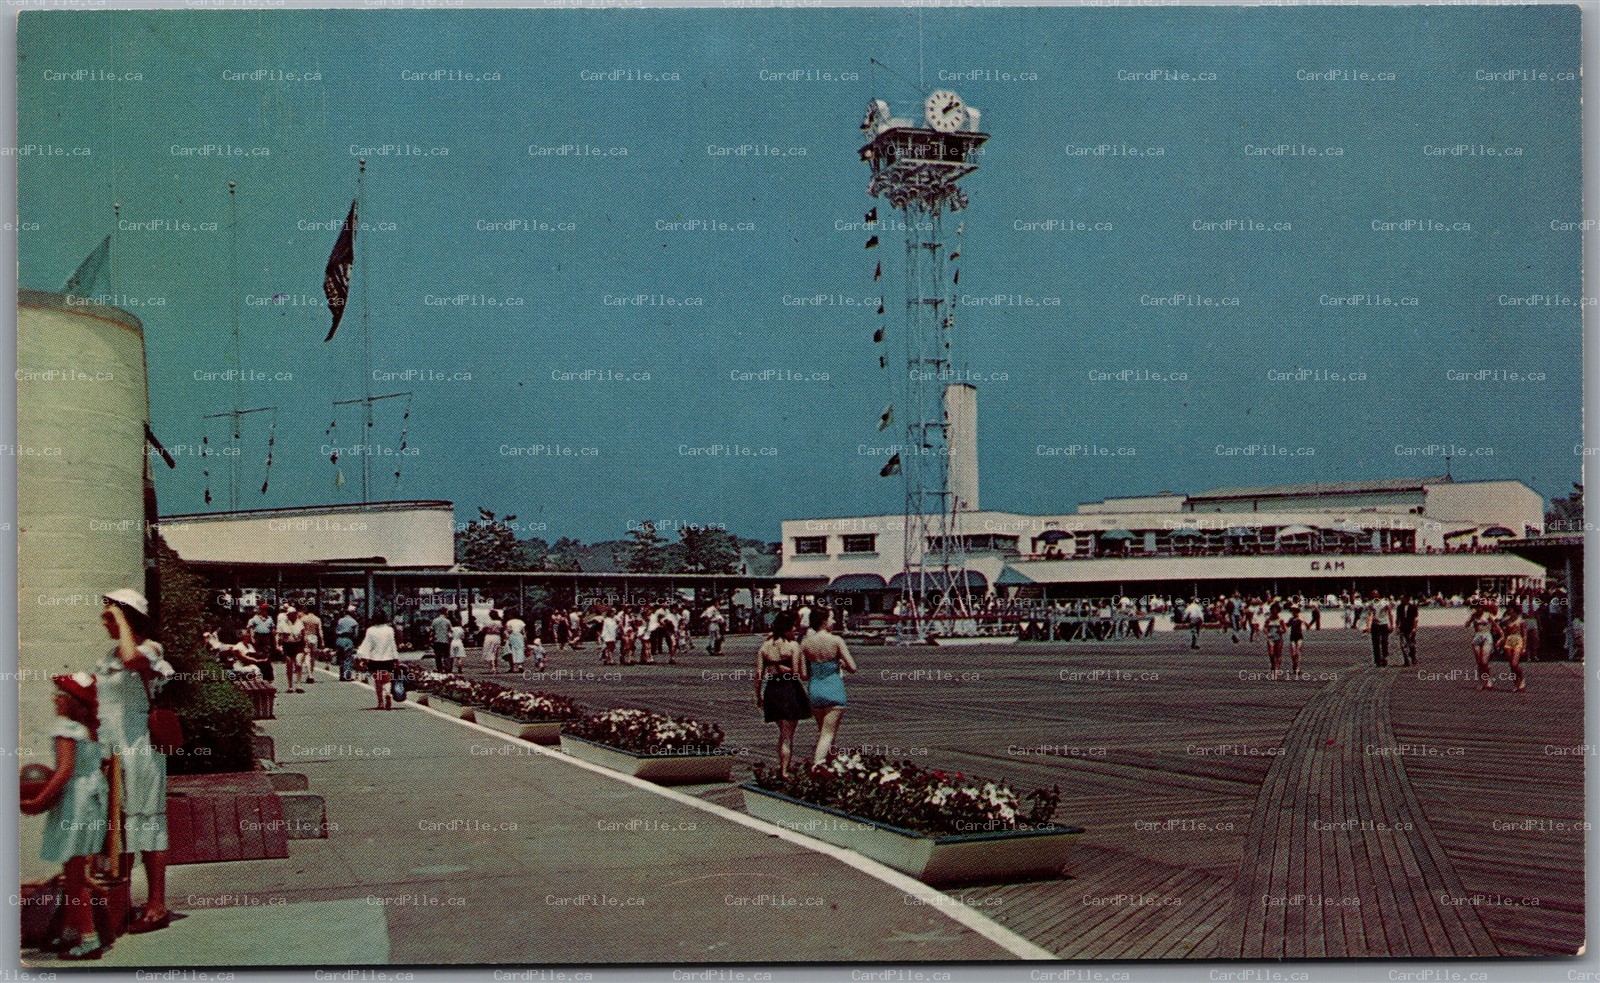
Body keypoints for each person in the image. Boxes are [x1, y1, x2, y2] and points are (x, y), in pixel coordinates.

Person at [95, 589, 175, 935]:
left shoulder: (149, 649)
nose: (104, 622)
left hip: (140, 748)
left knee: (147, 823)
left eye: (111, 616)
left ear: (129, 619)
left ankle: (157, 905)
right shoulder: (110, 655)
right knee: (118, 826)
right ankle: (121, 903)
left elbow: (133, 660)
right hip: (110, 748)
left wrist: (124, 620)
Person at [21, 672, 110, 959]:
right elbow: (97, 765)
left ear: (69, 702)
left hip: (75, 802)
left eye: (58, 694)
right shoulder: (90, 729)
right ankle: (71, 931)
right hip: (92, 800)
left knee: (74, 875)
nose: (54, 699)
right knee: (75, 871)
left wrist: (38, 800)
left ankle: (88, 938)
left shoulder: (65, 728)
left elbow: (63, 772)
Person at [756, 610, 810, 778]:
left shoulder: (764, 647)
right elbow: (797, 674)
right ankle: (784, 770)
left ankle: (783, 766)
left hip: (772, 689)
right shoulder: (794, 646)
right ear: (788, 628)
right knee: (787, 735)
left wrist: (758, 696)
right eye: (794, 626)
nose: (796, 629)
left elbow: (759, 675)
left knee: (783, 732)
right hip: (789, 690)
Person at [801, 607, 857, 766]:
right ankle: (817, 767)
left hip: (815, 689)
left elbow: (804, 674)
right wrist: (840, 663)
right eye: (831, 618)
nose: (834, 621)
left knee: (825, 733)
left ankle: (831, 766)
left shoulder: (805, 642)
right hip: (833, 688)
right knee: (827, 735)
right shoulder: (836, 640)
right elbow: (853, 667)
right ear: (824, 621)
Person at [355, 610, 401, 709]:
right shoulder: (389, 630)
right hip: (388, 659)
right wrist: (396, 658)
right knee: (387, 680)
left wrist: (362, 658)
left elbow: (367, 645)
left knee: (378, 681)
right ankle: (388, 693)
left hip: (375, 660)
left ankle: (380, 702)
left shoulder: (370, 630)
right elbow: (393, 645)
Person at [1467, 602, 1497, 691]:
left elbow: (1495, 626)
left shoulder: (1487, 615)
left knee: (1484, 662)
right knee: (1479, 663)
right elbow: (1467, 625)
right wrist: (1470, 619)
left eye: (1479, 608)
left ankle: (1488, 679)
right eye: (1476, 608)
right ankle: (1481, 681)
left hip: (1486, 637)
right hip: (1477, 637)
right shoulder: (1474, 616)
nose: (1478, 610)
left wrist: (1500, 636)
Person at [276, 605, 306, 694]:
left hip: (298, 645)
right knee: (289, 665)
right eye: (291, 614)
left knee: (298, 664)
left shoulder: (300, 622)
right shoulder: (282, 623)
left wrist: (306, 646)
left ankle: (299, 685)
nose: (293, 615)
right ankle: (290, 686)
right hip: (287, 646)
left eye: (294, 614)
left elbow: (303, 635)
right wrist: (278, 645)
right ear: (288, 615)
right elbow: (278, 635)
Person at [246, 602, 276, 683]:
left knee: (266, 656)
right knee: (257, 654)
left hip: (267, 637)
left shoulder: (270, 618)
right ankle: (259, 674)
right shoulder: (255, 618)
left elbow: (272, 629)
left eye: (266, 609)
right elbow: (251, 629)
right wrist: (252, 638)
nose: (265, 611)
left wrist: (275, 641)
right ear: (260, 610)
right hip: (258, 637)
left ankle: (268, 676)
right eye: (263, 609)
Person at [1500, 606, 1528, 693]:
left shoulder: (1521, 621)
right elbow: (1505, 633)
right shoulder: (1507, 621)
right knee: (1511, 665)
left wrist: (1524, 647)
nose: (1510, 614)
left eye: (1512, 612)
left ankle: (1522, 679)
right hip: (1509, 641)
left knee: (1514, 663)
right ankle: (1516, 683)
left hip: (1518, 640)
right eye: (1509, 612)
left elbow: (1524, 635)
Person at [1364, 591, 1395, 667]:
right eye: (1373, 594)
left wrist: (1392, 625)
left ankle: (1384, 657)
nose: (1374, 595)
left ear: (1379, 594)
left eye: (1375, 594)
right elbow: (1369, 615)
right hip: (1375, 625)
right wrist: (1367, 626)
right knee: (1375, 643)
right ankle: (1377, 660)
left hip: (1383, 624)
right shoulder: (1371, 603)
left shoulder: (1385, 603)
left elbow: (1390, 613)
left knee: (1384, 641)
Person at [334, 606, 361, 681]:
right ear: (352, 612)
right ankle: (347, 675)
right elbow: (356, 635)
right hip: (348, 640)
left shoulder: (340, 620)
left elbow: (335, 630)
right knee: (348, 658)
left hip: (339, 639)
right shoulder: (354, 622)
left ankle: (342, 675)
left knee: (341, 657)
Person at [299, 605, 323, 683]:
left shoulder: (303, 619)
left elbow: (300, 630)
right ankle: (311, 674)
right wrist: (322, 641)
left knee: (307, 656)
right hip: (314, 637)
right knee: (313, 657)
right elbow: (320, 631)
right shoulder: (317, 619)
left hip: (306, 636)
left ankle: (310, 675)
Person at [1396, 595, 1420, 666]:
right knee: (1402, 644)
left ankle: (1413, 658)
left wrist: (1414, 628)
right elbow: (1398, 618)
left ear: (1407, 599)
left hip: (1410, 627)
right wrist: (1397, 627)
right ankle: (1406, 660)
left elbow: (1415, 619)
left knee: (1411, 644)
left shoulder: (1413, 607)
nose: (1401, 600)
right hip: (1403, 628)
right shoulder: (1399, 607)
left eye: (1403, 598)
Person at [1264, 603, 1285, 677]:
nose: (1274, 612)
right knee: (1271, 653)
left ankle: (1276, 668)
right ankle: (1273, 665)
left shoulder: (1280, 620)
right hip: (1271, 638)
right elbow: (1265, 628)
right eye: (1272, 610)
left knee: (1278, 654)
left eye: (1275, 610)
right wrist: (1267, 633)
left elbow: (1284, 629)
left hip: (1279, 638)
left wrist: (1281, 631)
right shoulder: (1269, 619)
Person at [1287, 606, 1306, 676]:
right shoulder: (1291, 619)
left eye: (1294, 611)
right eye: (1292, 612)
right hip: (1292, 637)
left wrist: (1304, 622)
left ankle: (1297, 668)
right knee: (1293, 653)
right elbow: (1287, 626)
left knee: (1297, 652)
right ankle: (1294, 665)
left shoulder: (1300, 619)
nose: (1293, 613)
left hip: (1299, 637)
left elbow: (1307, 625)